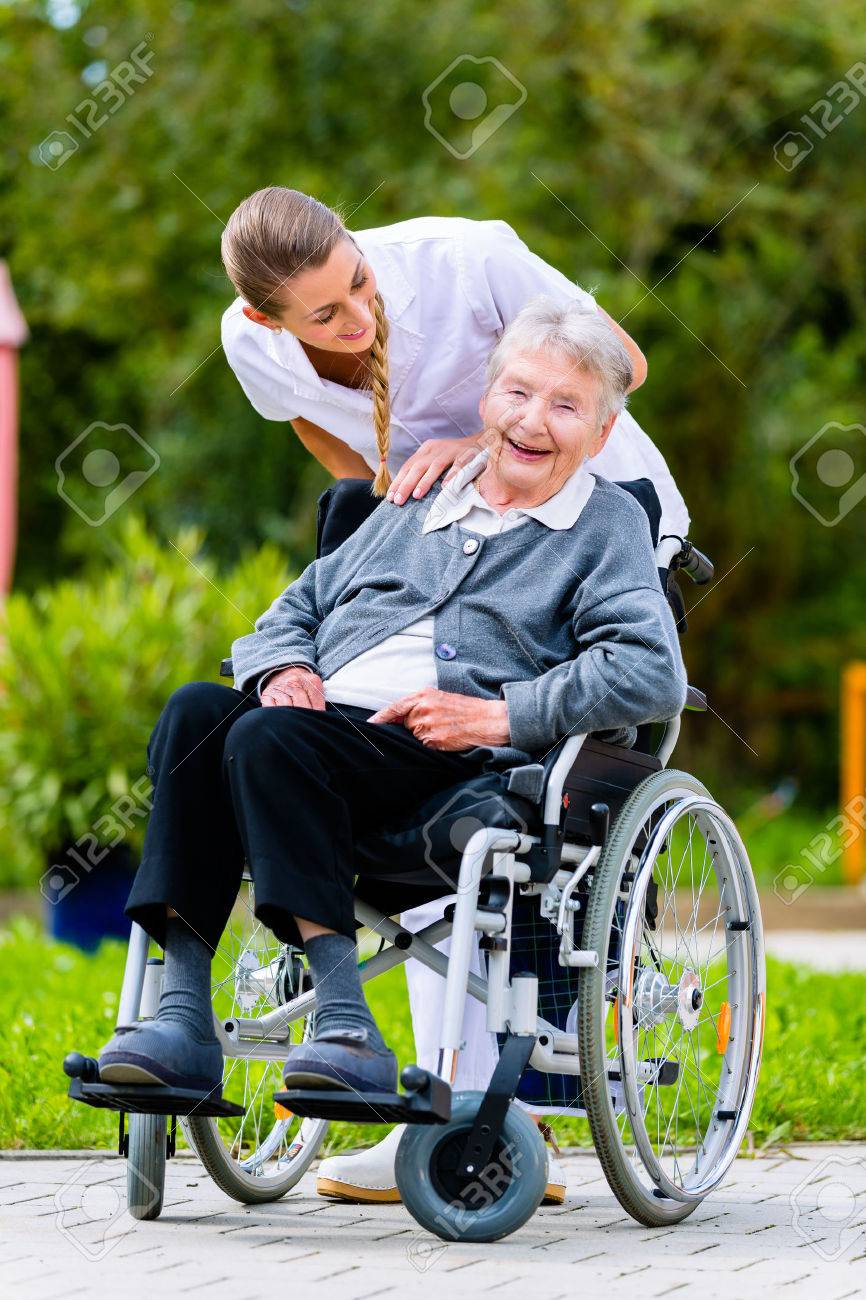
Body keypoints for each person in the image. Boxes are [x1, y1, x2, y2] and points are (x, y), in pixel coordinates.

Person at [98, 299, 687, 1210]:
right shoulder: (417, 498)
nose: (533, 420)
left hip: (442, 757)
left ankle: (344, 1020)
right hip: (310, 735)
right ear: (486, 398)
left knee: (264, 738)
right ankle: (181, 1018)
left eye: (566, 406)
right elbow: (291, 609)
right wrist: (283, 665)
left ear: (604, 429)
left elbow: (649, 671)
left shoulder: (602, 526)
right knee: (196, 713)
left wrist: (497, 716)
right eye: (519, 392)